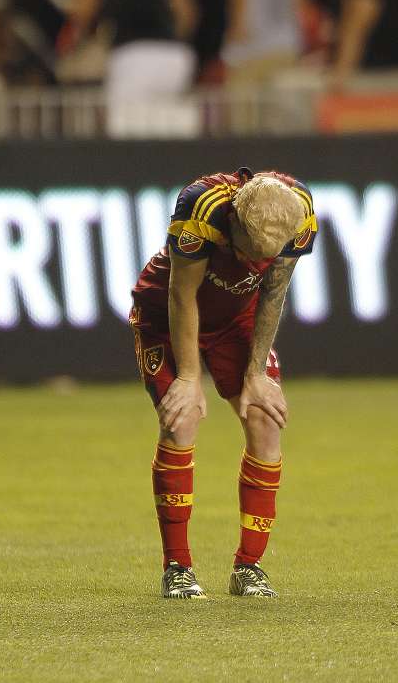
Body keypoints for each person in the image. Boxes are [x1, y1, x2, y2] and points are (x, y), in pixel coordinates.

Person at [130, 167, 318, 598]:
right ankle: (177, 567)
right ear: (234, 221)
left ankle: (248, 567)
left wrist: (255, 375)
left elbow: (274, 290)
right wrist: (190, 376)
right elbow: (182, 295)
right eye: (248, 253)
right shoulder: (200, 206)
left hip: (238, 318)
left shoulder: (300, 214)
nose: (255, 264)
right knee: (182, 419)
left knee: (264, 419)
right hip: (167, 315)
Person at [63, 0, 196, 135]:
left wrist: (84, 36)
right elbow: (186, 9)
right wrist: (177, 37)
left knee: (128, 132)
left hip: (133, 56)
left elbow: (83, 8)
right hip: (176, 56)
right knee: (170, 130)